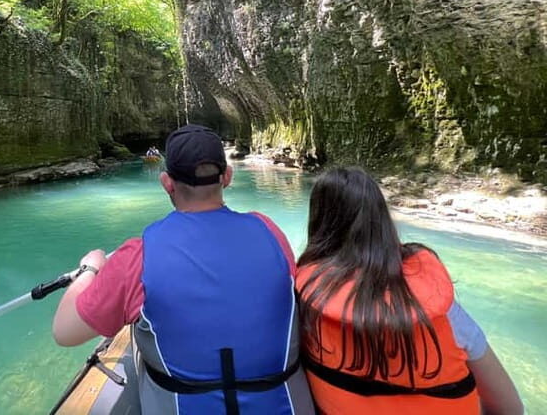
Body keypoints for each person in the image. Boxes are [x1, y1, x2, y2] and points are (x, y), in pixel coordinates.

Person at [52, 124, 315, 414]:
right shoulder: (270, 232)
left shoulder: (138, 255)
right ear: (227, 177)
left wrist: (90, 269)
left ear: (166, 182)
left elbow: (64, 332)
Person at [295, 167, 524, 415]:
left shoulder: (304, 302)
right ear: (382, 219)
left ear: (319, 223)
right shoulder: (442, 312)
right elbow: (509, 408)